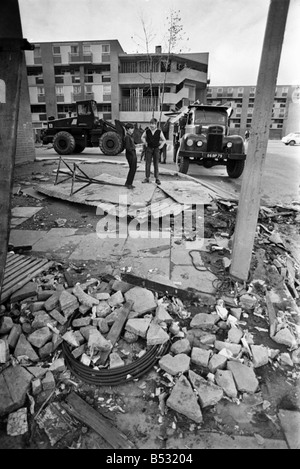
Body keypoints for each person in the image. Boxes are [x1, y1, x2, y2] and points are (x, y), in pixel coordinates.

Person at [141, 118, 166, 185]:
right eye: (150, 124)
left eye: (153, 124)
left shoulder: (159, 131)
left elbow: (164, 140)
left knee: (156, 164)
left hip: (156, 149)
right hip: (149, 149)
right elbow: (142, 137)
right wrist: (145, 142)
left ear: (156, 124)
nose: (151, 125)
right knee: (147, 163)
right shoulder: (147, 131)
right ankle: (147, 178)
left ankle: (157, 178)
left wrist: (161, 146)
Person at [124, 123, 137, 189]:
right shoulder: (127, 137)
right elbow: (128, 148)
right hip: (130, 154)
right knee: (132, 169)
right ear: (127, 129)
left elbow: (131, 145)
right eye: (131, 128)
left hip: (132, 153)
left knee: (133, 169)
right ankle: (129, 184)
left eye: (133, 128)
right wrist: (134, 148)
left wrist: (134, 146)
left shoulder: (130, 136)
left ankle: (128, 183)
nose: (133, 130)